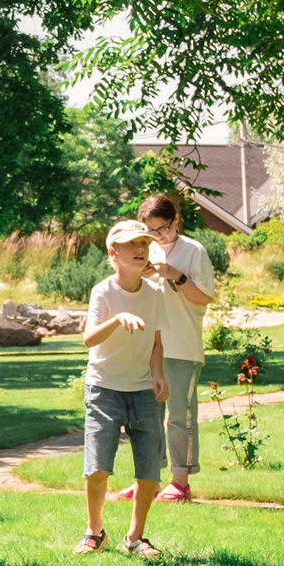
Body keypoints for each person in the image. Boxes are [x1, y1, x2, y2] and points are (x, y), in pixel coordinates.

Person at [114, 192, 216, 503]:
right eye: (150, 232)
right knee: (145, 417)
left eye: (164, 229)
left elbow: (205, 298)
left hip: (182, 345)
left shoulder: (192, 251)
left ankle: (180, 482)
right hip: (146, 346)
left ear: (176, 220)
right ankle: (148, 481)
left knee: (179, 416)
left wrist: (174, 274)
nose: (158, 237)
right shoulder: (143, 250)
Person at [79, 219, 172, 556]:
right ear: (112, 252)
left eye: (144, 244)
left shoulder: (155, 294)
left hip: (144, 391)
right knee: (97, 468)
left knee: (149, 470)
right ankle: (94, 532)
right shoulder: (103, 291)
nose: (139, 249)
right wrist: (118, 319)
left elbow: (157, 342)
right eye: (131, 244)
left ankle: (135, 537)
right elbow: (89, 339)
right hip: (104, 388)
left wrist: (157, 374)